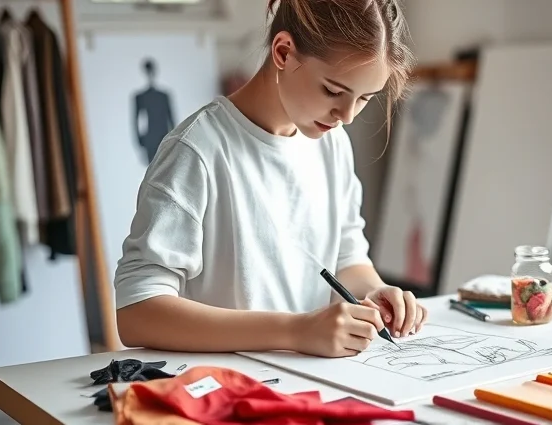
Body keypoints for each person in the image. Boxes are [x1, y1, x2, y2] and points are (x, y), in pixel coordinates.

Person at [112, 0, 426, 358]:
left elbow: (347, 257)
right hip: (225, 388)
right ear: (283, 52)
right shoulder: (198, 150)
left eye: (365, 98)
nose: (347, 116)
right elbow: (137, 312)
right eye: (333, 91)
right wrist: (294, 331)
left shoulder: (331, 143)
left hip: (306, 382)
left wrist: (374, 291)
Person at [133, 58, 175, 164]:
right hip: (150, 138)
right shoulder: (140, 97)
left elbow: (171, 118)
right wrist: (140, 140)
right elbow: (136, 120)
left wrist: (174, 139)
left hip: (164, 136)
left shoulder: (164, 96)